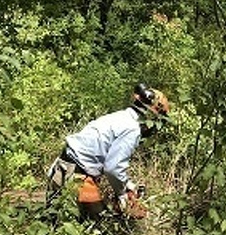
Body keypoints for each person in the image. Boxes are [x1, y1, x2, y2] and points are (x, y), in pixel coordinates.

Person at [46, 83, 170, 221]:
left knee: (52, 222)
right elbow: (113, 168)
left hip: (62, 167)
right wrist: (122, 196)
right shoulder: (132, 129)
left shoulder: (120, 116)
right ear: (151, 116)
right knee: (98, 227)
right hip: (76, 176)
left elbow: (105, 157)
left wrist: (127, 184)